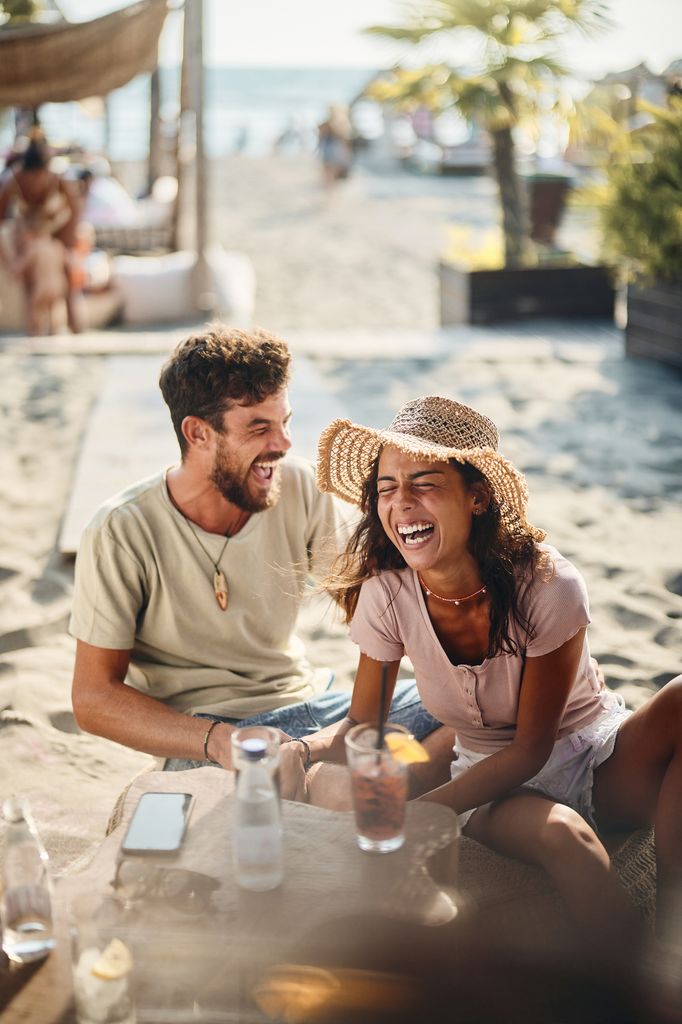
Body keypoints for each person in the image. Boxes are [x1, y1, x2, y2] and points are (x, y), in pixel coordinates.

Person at [308, 394, 682, 953]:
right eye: (386, 487)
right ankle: (637, 986)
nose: (401, 503)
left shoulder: (550, 584)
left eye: (424, 483)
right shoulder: (386, 593)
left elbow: (535, 747)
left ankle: (673, 918)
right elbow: (362, 726)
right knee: (567, 838)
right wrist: (298, 755)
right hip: (490, 779)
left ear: (477, 496)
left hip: (596, 755)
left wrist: (422, 813)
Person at [69, 327, 443, 798]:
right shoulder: (121, 530)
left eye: (284, 421)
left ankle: (379, 786)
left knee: (462, 708)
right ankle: (362, 788)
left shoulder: (299, 486)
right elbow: (93, 699)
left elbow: (372, 599)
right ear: (198, 432)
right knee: (259, 789)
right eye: (259, 428)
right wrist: (220, 742)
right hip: (210, 740)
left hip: (319, 711)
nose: (284, 443)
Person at [0, 130, 82, 334]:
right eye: (31, 177)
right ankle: (34, 332)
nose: (35, 182)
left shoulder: (59, 177)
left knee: (68, 279)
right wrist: (10, 260)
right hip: (27, 235)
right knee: (32, 284)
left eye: (39, 176)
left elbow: (75, 210)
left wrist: (63, 241)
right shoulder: (13, 181)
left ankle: (75, 327)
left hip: (57, 232)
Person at [10, 214, 69, 335]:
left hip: (43, 285)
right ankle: (57, 331)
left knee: (34, 309)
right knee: (55, 309)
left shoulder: (34, 247)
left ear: (32, 232)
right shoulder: (57, 245)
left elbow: (19, 267)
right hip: (59, 284)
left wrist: (12, 266)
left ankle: (35, 333)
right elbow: (70, 262)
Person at [317, 105, 353, 188]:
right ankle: (329, 185)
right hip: (331, 148)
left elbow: (344, 138)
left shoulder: (341, 123)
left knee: (332, 169)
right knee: (329, 168)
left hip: (334, 148)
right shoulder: (328, 123)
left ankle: (330, 185)